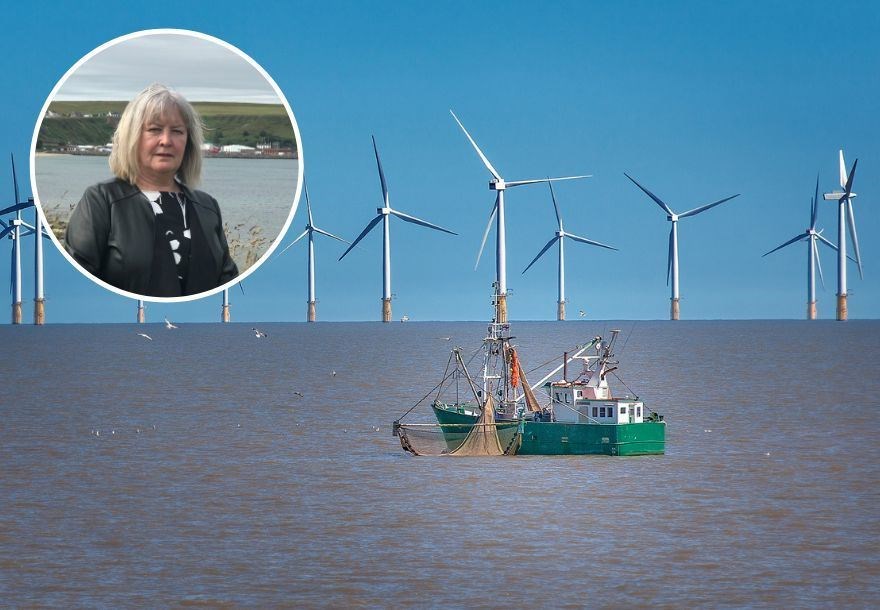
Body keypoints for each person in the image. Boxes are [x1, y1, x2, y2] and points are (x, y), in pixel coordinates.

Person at [65, 83, 238, 297]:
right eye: (154, 130)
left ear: (188, 142)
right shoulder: (102, 201)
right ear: (132, 137)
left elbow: (228, 284)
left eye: (177, 131)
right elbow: (78, 286)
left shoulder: (207, 207)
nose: (166, 141)